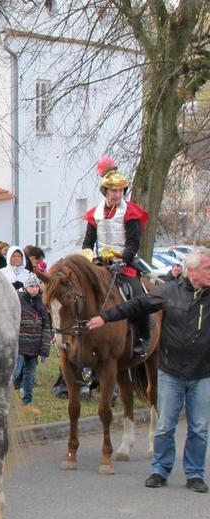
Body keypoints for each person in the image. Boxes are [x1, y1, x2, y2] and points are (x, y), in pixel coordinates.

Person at [86, 246, 210, 493]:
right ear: (193, 271)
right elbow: (136, 305)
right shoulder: (169, 292)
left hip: (203, 373)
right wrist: (106, 317)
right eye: (207, 267)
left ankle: (195, 474)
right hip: (171, 373)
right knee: (165, 425)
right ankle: (159, 470)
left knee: (199, 427)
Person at [83, 156, 151, 356]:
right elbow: (88, 242)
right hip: (101, 264)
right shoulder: (94, 214)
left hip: (125, 263)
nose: (117, 194)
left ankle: (143, 337)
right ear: (105, 191)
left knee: (138, 294)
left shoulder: (130, 212)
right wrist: (86, 260)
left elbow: (133, 243)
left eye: (120, 190)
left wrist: (122, 261)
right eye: (113, 190)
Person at [14, 274, 51, 414]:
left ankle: (27, 402)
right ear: (26, 287)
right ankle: (7, 400)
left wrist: (44, 350)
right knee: (15, 373)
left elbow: (46, 327)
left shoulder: (42, 304)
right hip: (20, 345)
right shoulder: (18, 300)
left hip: (35, 347)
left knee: (29, 376)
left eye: (36, 286)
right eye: (31, 286)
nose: (34, 289)